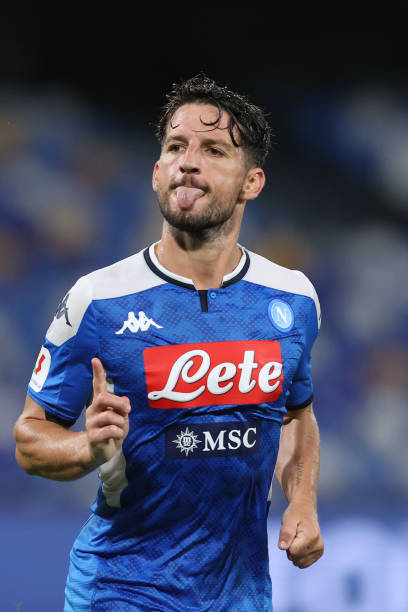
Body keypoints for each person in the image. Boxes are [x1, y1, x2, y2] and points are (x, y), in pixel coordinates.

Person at [14, 74, 324, 611]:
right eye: (176, 147)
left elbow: (295, 413)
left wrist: (303, 501)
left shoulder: (293, 300)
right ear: (157, 172)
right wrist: (87, 447)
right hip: (120, 589)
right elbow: (29, 437)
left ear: (251, 182)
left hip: (242, 594)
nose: (188, 161)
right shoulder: (98, 300)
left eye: (213, 150)